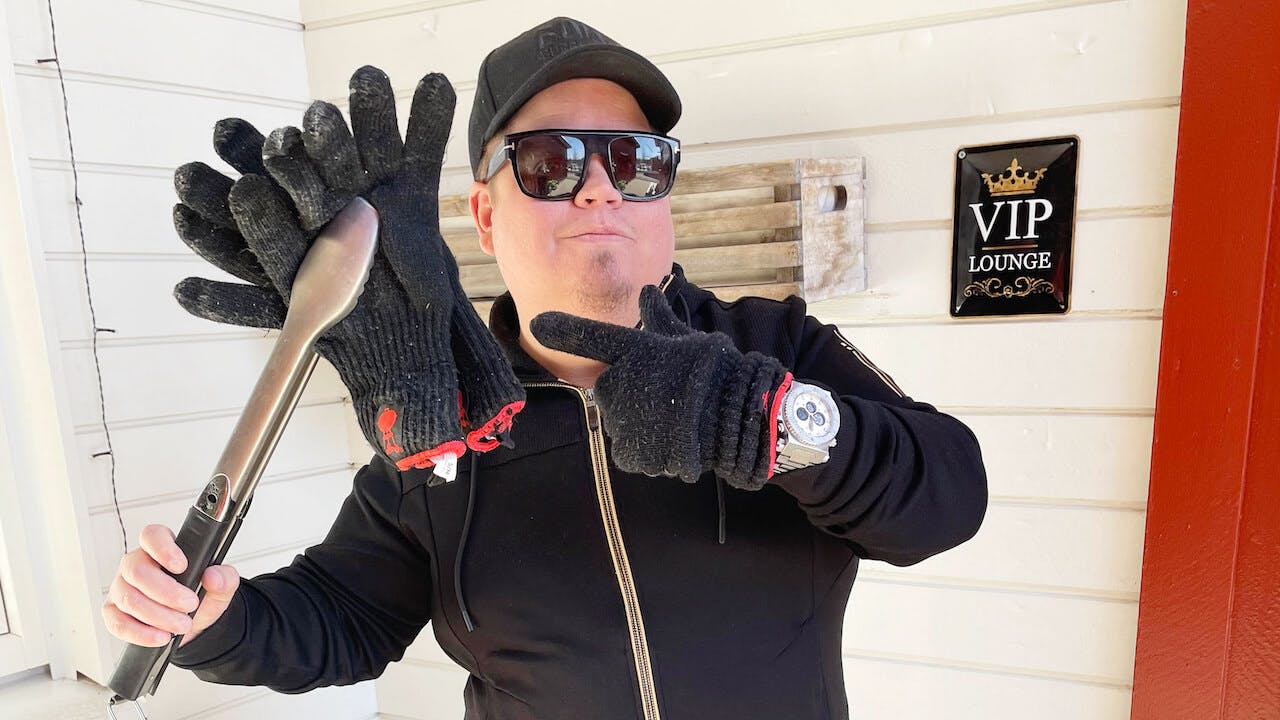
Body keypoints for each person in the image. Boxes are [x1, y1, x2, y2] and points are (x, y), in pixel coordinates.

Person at [102, 17, 987, 719]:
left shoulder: (769, 345)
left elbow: (945, 500)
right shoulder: (437, 413)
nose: (600, 186)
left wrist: (767, 420)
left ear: (664, 197)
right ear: (486, 216)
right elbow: (345, 615)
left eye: (635, 160)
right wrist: (213, 621)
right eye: (550, 161)